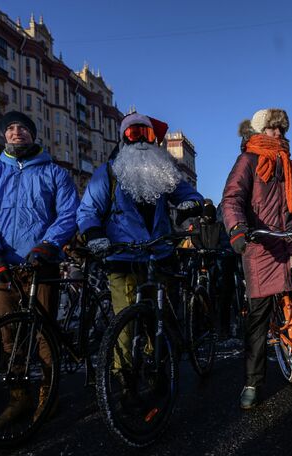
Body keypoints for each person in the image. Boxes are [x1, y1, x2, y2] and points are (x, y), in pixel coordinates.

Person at [77, 112, 204, 392]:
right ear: (124, 138)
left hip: (158, 255)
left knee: (158, 318)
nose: (141, 141)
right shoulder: (109, 172)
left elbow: (187, 193)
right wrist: (94, 234)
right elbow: (87, 210)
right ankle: (124, 379)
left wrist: (191, 205)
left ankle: (156, 363)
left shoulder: (162, 171)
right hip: (123, 257)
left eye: (146, 135)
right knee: (125, 325)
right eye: (134, 134)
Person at [0, 111, 79, 428]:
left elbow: (67, 214)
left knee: (44, 334)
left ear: (33, 135)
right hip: (3, 269)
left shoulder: (54, 173)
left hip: (40, 265)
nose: (17, 132)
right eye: (11, 128)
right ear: (3, 135)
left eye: (23, 128)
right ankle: (19, 397)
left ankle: (49, 392)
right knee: (8, 336)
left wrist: (47, 245)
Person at [221, 108, 292, 409]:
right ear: (260, 132)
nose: (279, 135)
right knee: (257, 319)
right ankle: (252, 382)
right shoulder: (247, 161)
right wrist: (237, 229)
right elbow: (232, 199)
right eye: (273, 129)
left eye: (282, 130)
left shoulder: (290, 164)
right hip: (261, 247)